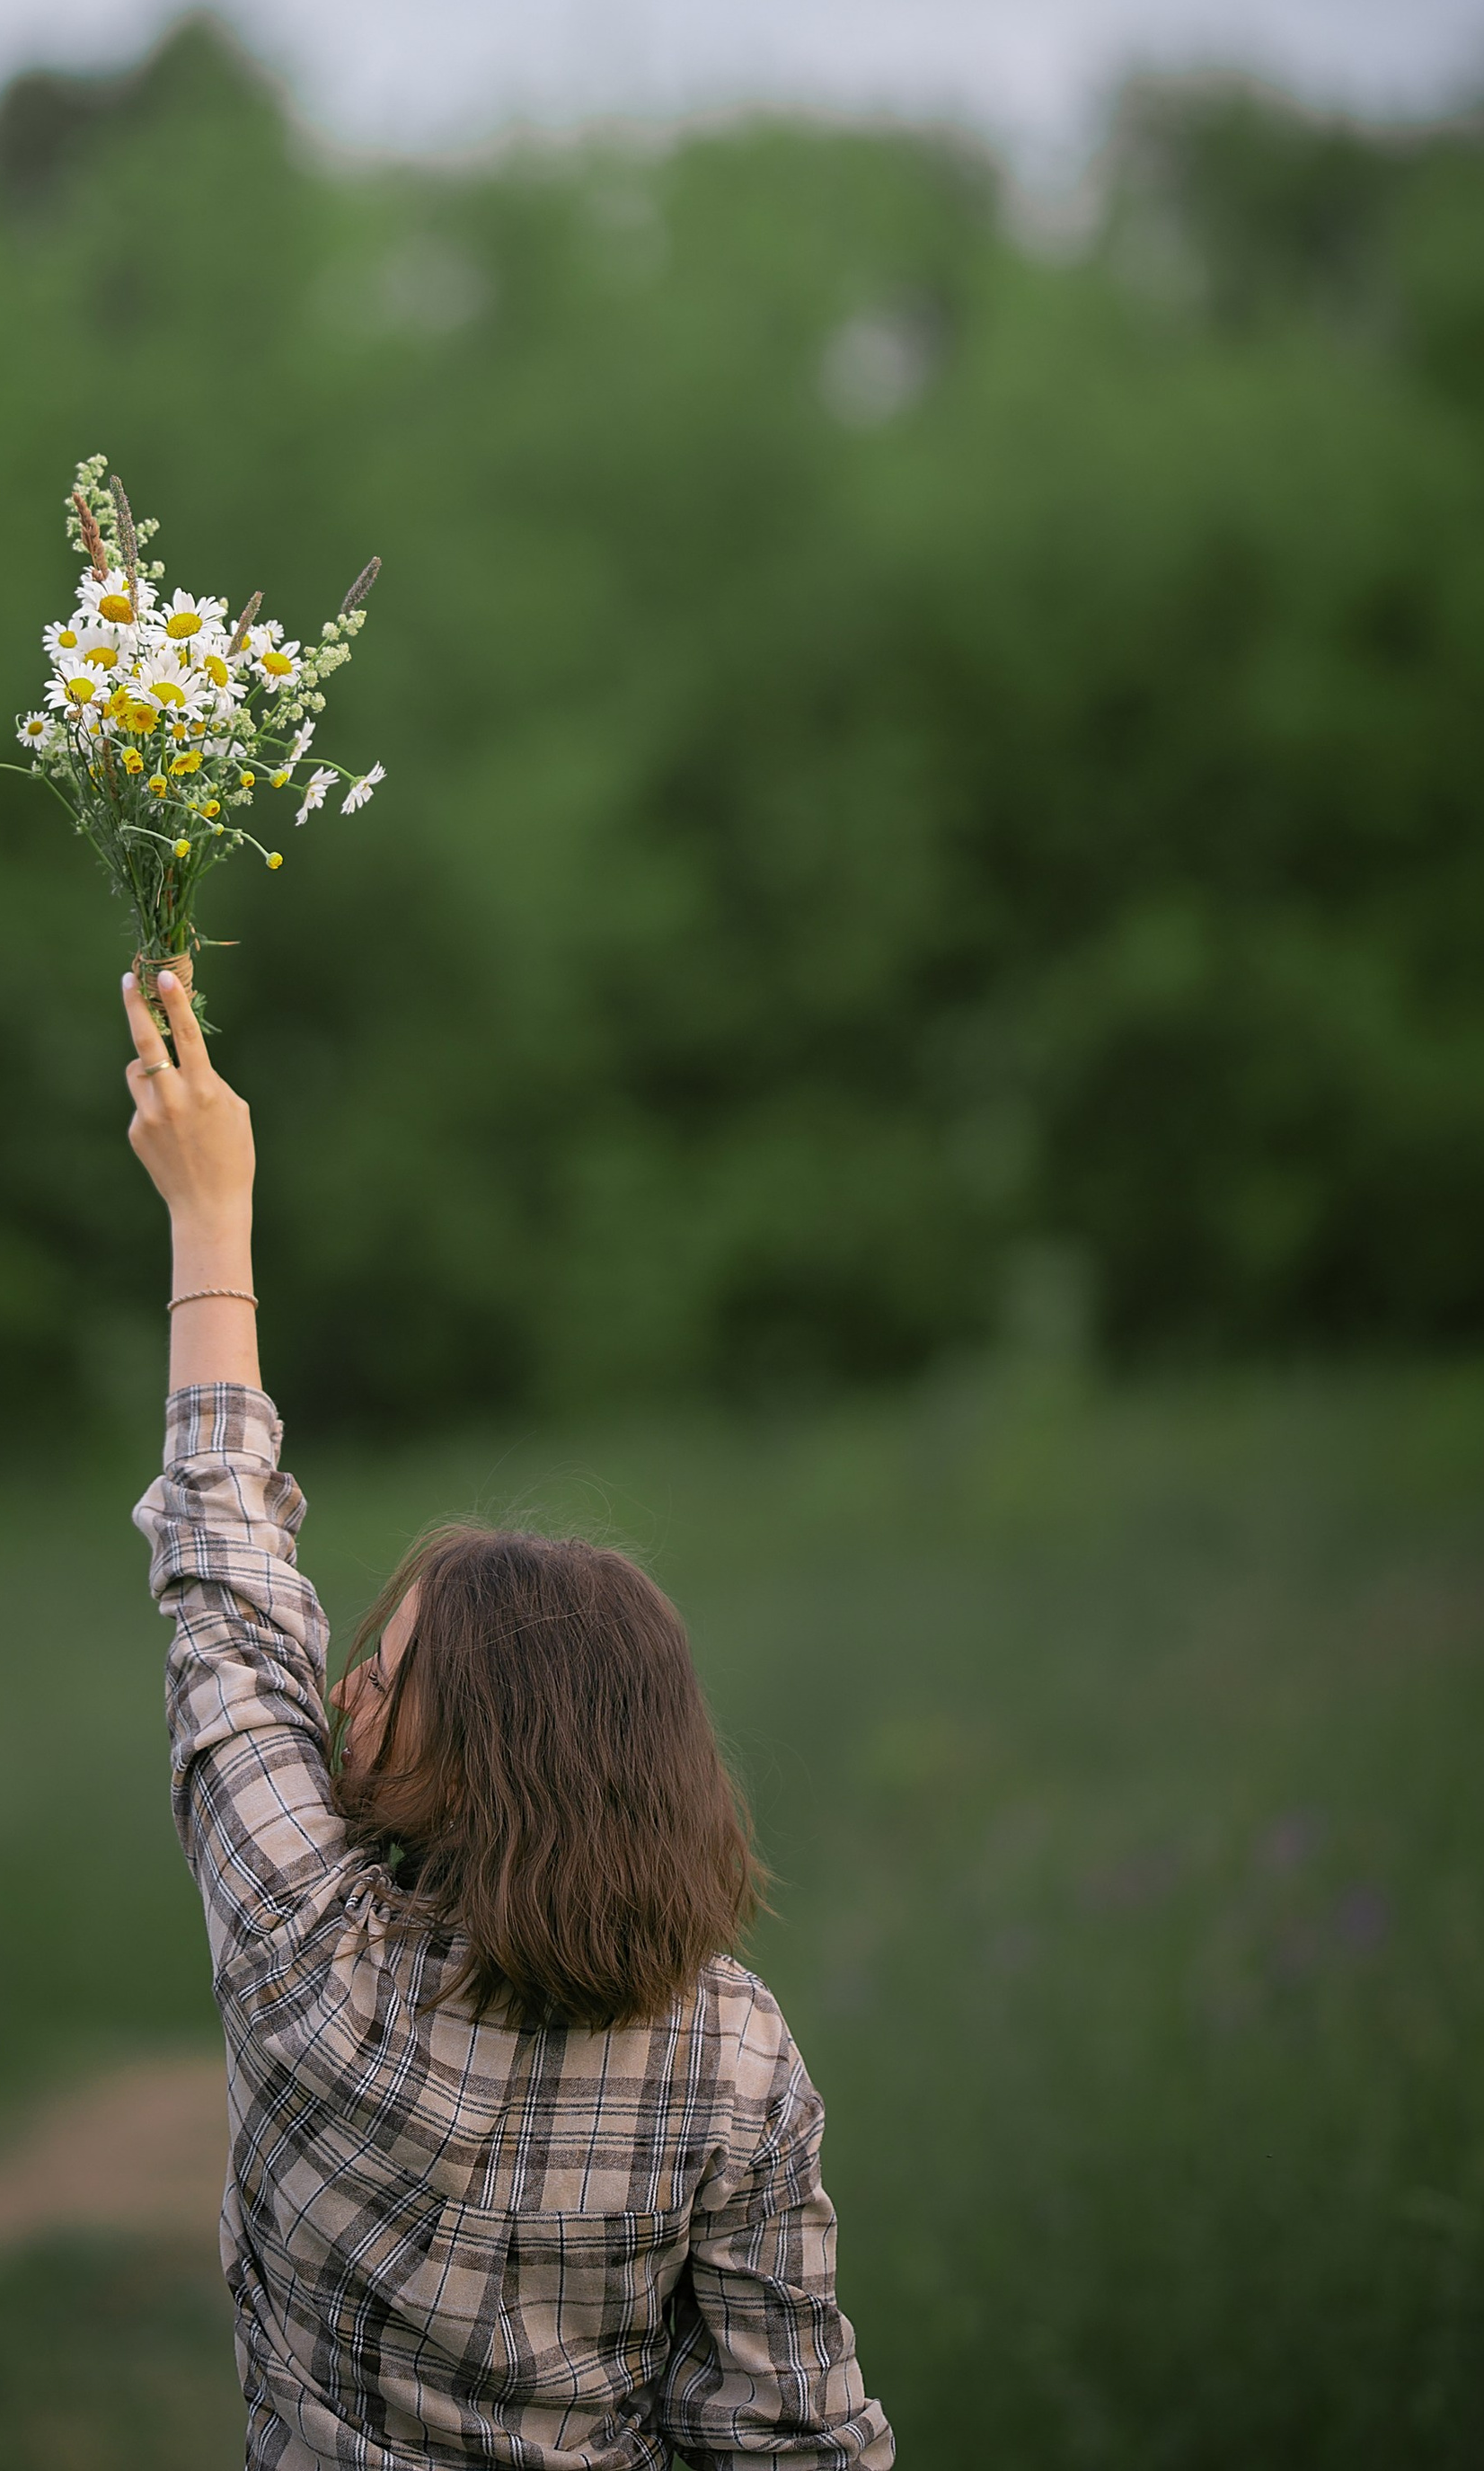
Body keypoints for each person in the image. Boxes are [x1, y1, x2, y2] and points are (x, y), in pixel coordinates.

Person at [124, 960, 894, 2470]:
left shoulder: (310, 1961)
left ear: (479, 1770)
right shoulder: (734, 2058)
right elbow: (790, 2442)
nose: (341, 1685)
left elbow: (224, 1583)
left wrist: (211, 1217)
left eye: (383, 1677)